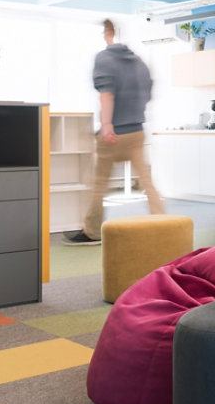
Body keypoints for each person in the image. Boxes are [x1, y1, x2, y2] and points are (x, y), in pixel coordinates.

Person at [65, 19, 163, 245]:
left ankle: (91, 232)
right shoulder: (139, 61)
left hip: (114, 133)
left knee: (99, 183)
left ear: (107, 32)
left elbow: (106, 94)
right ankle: (163, 224)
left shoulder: (104, 58)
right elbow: (148, 93)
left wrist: (107, 125)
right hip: (137, 130)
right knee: (147, 181)